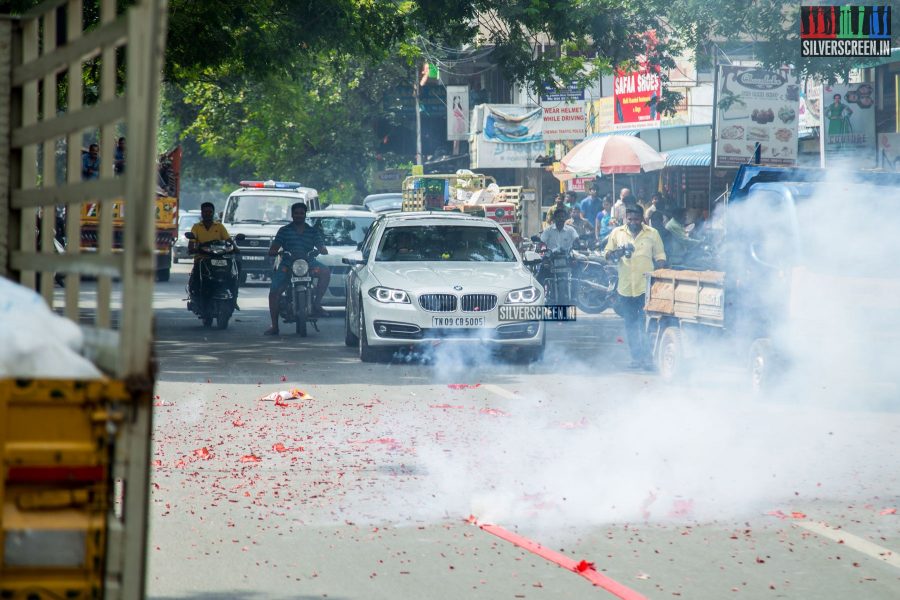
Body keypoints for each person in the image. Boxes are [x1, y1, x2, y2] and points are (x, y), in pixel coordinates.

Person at [604, 205, 666, 369]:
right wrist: (617, 252)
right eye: (630, 219)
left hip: (646, 288)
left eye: (636, 219)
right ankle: (636, 358)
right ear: (625, 218)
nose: (633, 222)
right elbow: (608, 255)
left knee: (647, 325)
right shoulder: (617, 233)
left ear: (642, 219)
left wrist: (660, 278)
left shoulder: (653, 233)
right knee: (630, 325)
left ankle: (649, 358)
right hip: (625, 288)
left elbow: (660, 257)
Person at [265, 202, 331, 335]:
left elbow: (321, 247)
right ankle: (274, 326)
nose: (299, 216)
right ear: (292, 215)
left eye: (301, 213)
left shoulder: (312, 231)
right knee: (274, 292)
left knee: (325, 271)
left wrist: (322, 249)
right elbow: (274, 248)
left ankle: (317, 303)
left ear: (305, 215)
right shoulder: (284, 231)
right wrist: (275, 251)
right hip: (288, 264)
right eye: (296, 213)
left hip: (308, 263)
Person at [189, 202, 239, 308]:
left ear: (213, 213)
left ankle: (234, 299)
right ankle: (196, 299)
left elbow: (228, 239)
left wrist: (235, 247)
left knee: (233, 273)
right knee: (196, 278)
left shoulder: (219, 226)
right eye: (205, 212)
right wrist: (193, 249)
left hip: (219, 258)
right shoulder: (196, 227)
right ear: (202, 213)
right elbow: (192, 242)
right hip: (203, 259)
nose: (208, 214)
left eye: (210, 212)